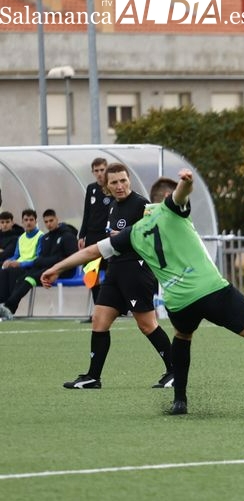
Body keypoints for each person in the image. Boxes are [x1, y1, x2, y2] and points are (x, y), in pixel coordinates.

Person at [42, 170, 244, 415]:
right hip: (212, 291)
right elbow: (180, 197)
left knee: (183, 336)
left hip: (179, 302)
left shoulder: (131, 235)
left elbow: (89, 253)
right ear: (156, 202)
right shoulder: (169, 210)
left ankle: (180, 399)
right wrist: (186, 183)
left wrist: (56, 268)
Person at [62, 162, 174, 390]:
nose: (120, 185)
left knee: (147, 325)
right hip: (115, 271)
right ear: (107, 186)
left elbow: (152, 237)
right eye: (114, 182)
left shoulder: (142, 204)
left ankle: (175, 371)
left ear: (129, 180)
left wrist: (125, 236)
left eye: (123, 180)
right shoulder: (113, 206)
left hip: (136, 271)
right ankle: (93, 377)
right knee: (99, 321)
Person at [0, 209, 78, 319]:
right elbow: (42, 258)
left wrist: (48, 262)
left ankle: (8, 307)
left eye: (51, 220)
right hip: (48, 268)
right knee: (22, 278)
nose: (49, 224)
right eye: (46, 222)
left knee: (28, 277)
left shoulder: (67, 236)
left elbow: (70, 258)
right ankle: (6, 307)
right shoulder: (46, 238)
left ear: (57, 220)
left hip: (64, 270)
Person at [78, 157, 113, 309]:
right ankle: (98, 308)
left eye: (102, 170)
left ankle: (113, 307)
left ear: (107, 170)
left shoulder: (112, 188)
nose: (99, 173)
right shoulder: (91, 188)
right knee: (92, 275)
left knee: (112, 274)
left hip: (107, 237)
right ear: (93, 172)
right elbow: (87, 213)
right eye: (96, 170)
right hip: (91, 237)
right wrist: (81, 235)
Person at [0, 209, 43, 304]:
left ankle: (10, 305)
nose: (28, 222)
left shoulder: (41, 236)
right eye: (26, 220)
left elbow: (39, 259)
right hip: (18, 266)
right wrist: (8, 261)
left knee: (12, 271)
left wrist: (20, 264)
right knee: (3, 271)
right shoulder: (21, 238)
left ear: (36, 221)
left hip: (30, 268)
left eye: (31, 220)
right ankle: (2, 303)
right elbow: (16, 256)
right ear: (22, 222)